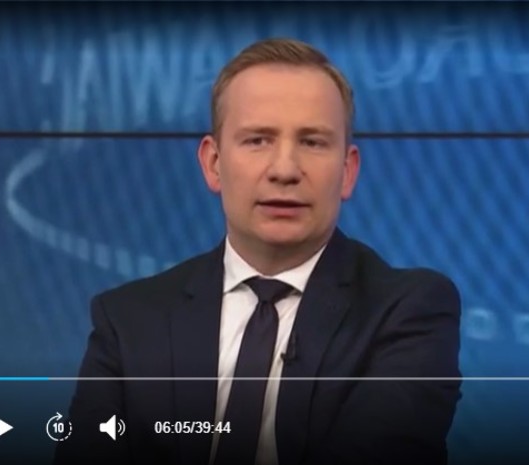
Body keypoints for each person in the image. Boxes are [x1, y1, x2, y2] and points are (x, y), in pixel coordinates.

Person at [54, 38, 461, 465]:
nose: (284, 170)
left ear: (347, 171)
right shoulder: (128, 321)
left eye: (312, 142)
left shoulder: (409, 312)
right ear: (213, 163)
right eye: (258, 140)